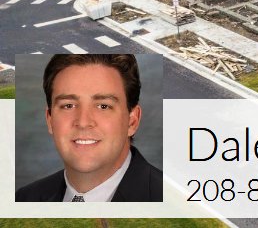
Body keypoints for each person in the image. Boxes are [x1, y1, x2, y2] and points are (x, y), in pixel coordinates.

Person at [16, 54, 162, 202]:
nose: (83, 122)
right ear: (50, 120)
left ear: (132, 121)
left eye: (103, 106)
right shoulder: (25, 198)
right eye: (68, 106)